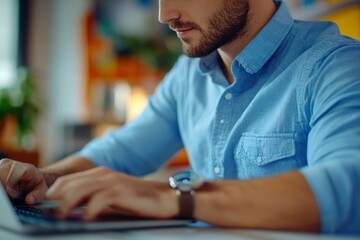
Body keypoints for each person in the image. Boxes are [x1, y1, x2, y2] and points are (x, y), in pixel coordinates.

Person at [0, 0, 359, 234]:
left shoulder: (336, 65)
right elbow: (122, 150)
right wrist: (44, 178)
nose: (164, 14)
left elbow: (349, 187)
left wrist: (176, 198)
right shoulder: (190, 74)